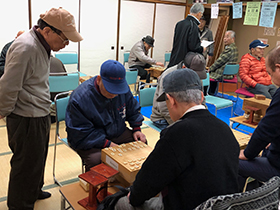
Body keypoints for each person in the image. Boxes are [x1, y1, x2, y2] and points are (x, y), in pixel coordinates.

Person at [115, 68, 240, 210]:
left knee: (122, 204)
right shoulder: (224, 128)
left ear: (171, 100)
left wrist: (132, 196)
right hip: (224, 206)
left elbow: (148, 181)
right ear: (201, 96)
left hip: (188, 205)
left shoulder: (176, 133)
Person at [0, 7, 82, 210]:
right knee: (24, 164)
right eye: (64, 39)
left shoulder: (42, 44)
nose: (66, 44)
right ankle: (19, 205)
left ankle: (34, 191)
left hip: (40, 111)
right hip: (25, 116)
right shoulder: (26, 47)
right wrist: (3, 112)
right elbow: (8, 86)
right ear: (47, 31)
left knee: (38, 158)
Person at [65, 60, 147, 171]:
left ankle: (130, 182)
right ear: (99, 80)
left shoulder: (123, 89)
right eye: (110, 89)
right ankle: (99, 186)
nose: (113, 94)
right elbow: (79, 132)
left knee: (141, 145)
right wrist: (107, 144)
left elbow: (132, 108)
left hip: (117, 131)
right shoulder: (80, 98)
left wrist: (137, 129)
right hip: (89, 139)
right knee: (97, 160)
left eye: (117, 90)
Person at [238, 45, 280, 192]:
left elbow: (266, 129)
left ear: (278, 68)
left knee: (235, 163)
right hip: (256, 85)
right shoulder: (247, 60)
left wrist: (248, 153)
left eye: (270, 73)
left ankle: (232, 202)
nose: (270, 76)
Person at [150, 52, 207, 130]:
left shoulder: (196, 77)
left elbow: (201, 101)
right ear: (184, 68)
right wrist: (183, 125)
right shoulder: (168, 76)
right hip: (164, 118)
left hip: (188, 116)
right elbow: (163, 107)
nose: (197, 78)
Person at [167, 3, 206, 68]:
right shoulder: (193, 25)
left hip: (175, 58)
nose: (201, 16)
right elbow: (193, 46)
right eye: (201, 14)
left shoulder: (179, 24)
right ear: (199, 13)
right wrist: (202, 49)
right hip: (185, 61)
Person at [208, 30, 238, 95]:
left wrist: (210, 68)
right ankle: (212, 92)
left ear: (233, 39)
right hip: (230, 74)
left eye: (227, 37)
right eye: (224, 37)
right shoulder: (235, 48)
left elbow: (219, 62)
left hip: (224, 74)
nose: (224, 39)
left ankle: (210, 93)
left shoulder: (229, 49)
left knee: (208, 74)